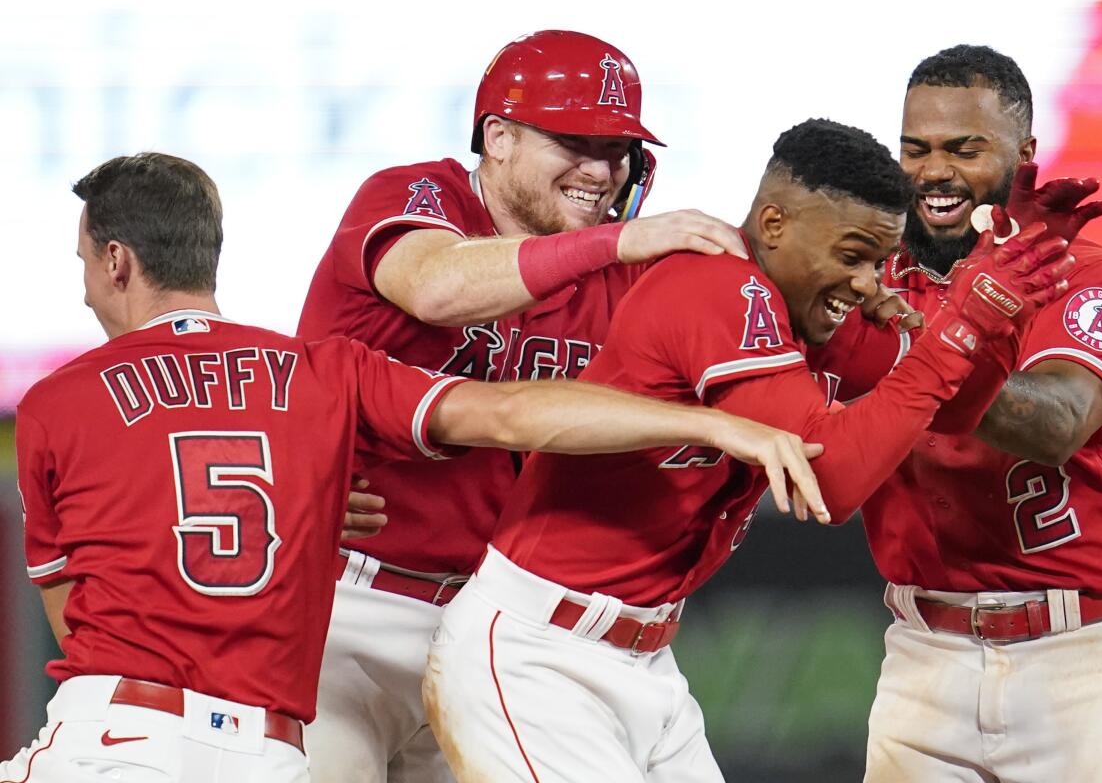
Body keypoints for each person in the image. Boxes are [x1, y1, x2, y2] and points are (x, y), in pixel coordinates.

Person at [3, 152, 828, 783]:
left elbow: (76, 613)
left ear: (116, 261)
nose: (82, 290)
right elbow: (506, 409)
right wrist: (714, 425)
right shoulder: (320, 373)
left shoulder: (55, 401)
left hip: (120, 737)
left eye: (82, 265)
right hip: (265, 748)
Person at [420, 118, 1078, 783]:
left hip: (644, 659)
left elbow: (960, 403)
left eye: (878, 261)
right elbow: (832, 480)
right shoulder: (718, 285)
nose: (865, 282)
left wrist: (1007, 291)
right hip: (541, 657)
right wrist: (959, 329)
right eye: (850, 255)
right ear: (773, 225)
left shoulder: (823, 312)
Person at [294, 29, 750, 783]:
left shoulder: (627, 274)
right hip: (349, 605)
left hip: (497, 627)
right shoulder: (417, 194)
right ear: (497, 138)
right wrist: (618, 243)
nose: (601, 170)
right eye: (574, 140)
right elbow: (436, 286)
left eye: (618, 148)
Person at [809, 45, 1102, 782]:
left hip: (1080, 659)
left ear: (1025, 152)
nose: (933, 171)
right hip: (922, 651)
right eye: (915, 149)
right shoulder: (868, 282)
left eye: (963, 149)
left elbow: (1056, 425)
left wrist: (936, 347)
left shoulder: (1086, 277)